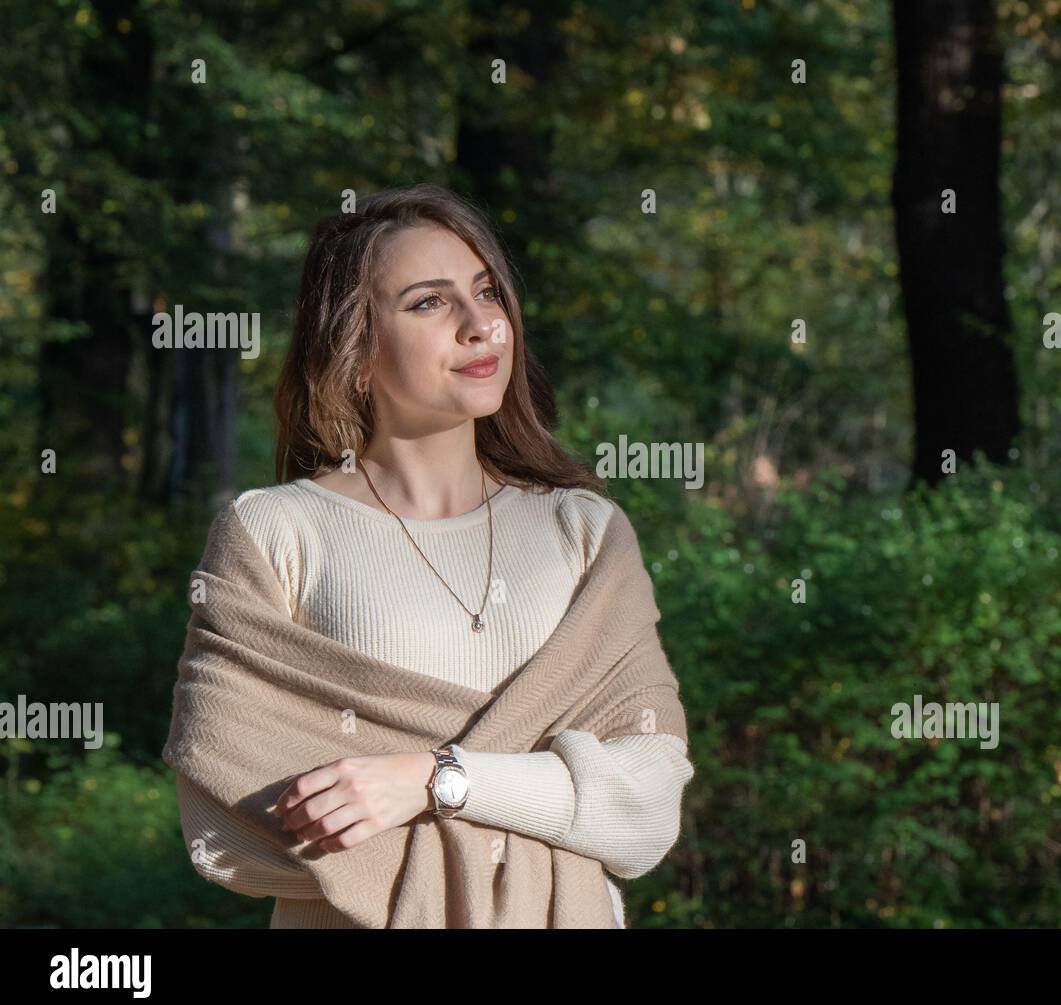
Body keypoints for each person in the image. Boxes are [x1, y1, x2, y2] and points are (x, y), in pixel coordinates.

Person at [173, 182, 695, 928]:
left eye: (486, 292)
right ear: (354, 352)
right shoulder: (276, 532)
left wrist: (430, 780)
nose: (481, 324)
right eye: (428, 302)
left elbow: (645, 808)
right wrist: (548, 795)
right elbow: (231, 824)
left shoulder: (584, 531)